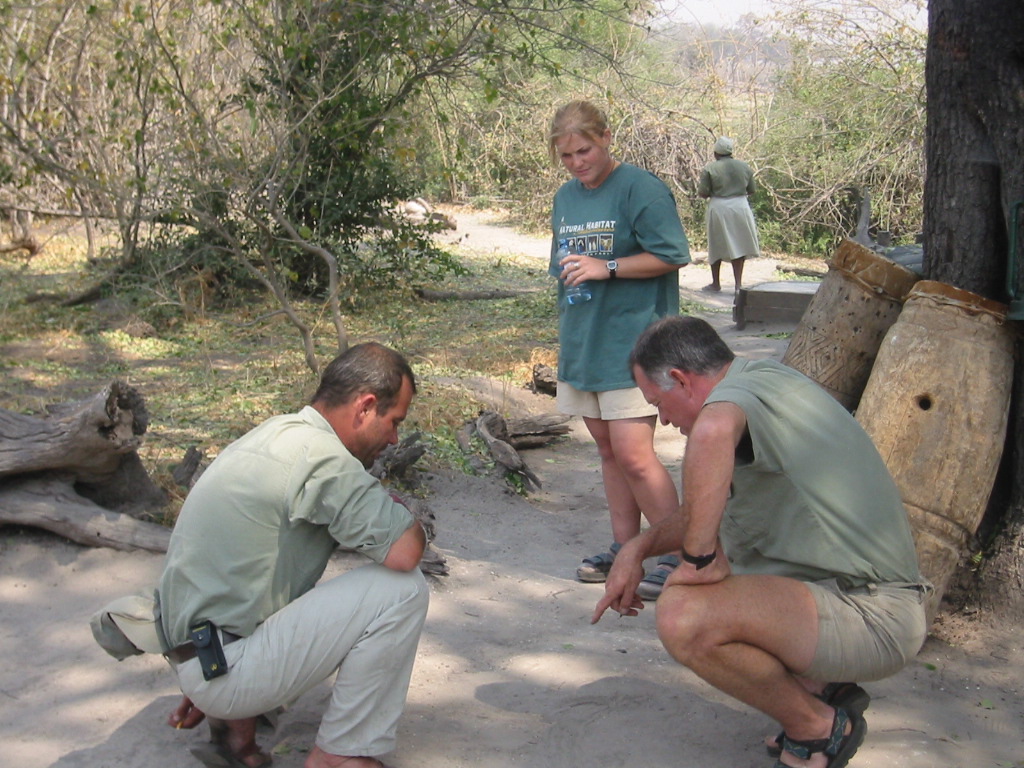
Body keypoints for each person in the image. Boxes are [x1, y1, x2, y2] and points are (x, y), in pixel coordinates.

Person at [593, 316, 930, 768]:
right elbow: (699, 512)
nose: (665, 421)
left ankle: (818, 726)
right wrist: (636, 549)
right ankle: (820, 689)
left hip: (876, 618)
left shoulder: (727, 407)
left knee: (683, 615)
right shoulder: (759, 378)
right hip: (855, 598)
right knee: (712, 588)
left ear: (680, 380)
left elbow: (713, 429)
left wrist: (696, 562)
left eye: (659, 403)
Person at [159, 342, 429, 768]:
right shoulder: (323, 458)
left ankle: (232, 719)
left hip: (197, 653)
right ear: (365, 406)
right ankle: (341, 754)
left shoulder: (276, 432)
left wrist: (200, 677)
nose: (395, 438)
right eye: (394, 422)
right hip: (221, 668)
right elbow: (405, 552)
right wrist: (405, 512)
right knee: (402, 589)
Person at [547, 99, 691, 600]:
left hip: (635, 344)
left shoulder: (641, 188)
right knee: (608, 452)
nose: (577, 163)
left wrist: (606, 267)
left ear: (606, 137)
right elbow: (564, 265)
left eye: (584, 150)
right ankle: (625, 546)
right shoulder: (566, 197)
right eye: (566, 156)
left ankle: (681, 553)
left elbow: (674, 255)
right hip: (584, 340)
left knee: (635, 456)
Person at [697, 136, 759, 293]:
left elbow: (703, 193)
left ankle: (715, 283)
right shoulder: (744, 167)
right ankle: (738, 285)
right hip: (740, 206)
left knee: (716, 243)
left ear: (716, 153)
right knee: (738, 244)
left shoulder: (710, 169)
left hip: (719, 206)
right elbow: (751, 190)